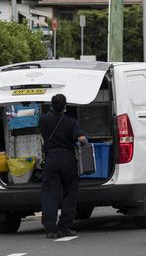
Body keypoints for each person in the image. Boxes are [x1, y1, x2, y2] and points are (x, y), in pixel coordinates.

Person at [39, 94, 88, 239]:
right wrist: (85, 141)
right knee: (69, 194)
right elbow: (81, 139)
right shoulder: (71, 122)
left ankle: (50, 229)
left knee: (50, 194)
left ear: (51, 106)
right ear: (65, 107)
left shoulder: (43, 120)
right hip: (67, 160)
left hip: (51, 160)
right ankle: (65, 227)